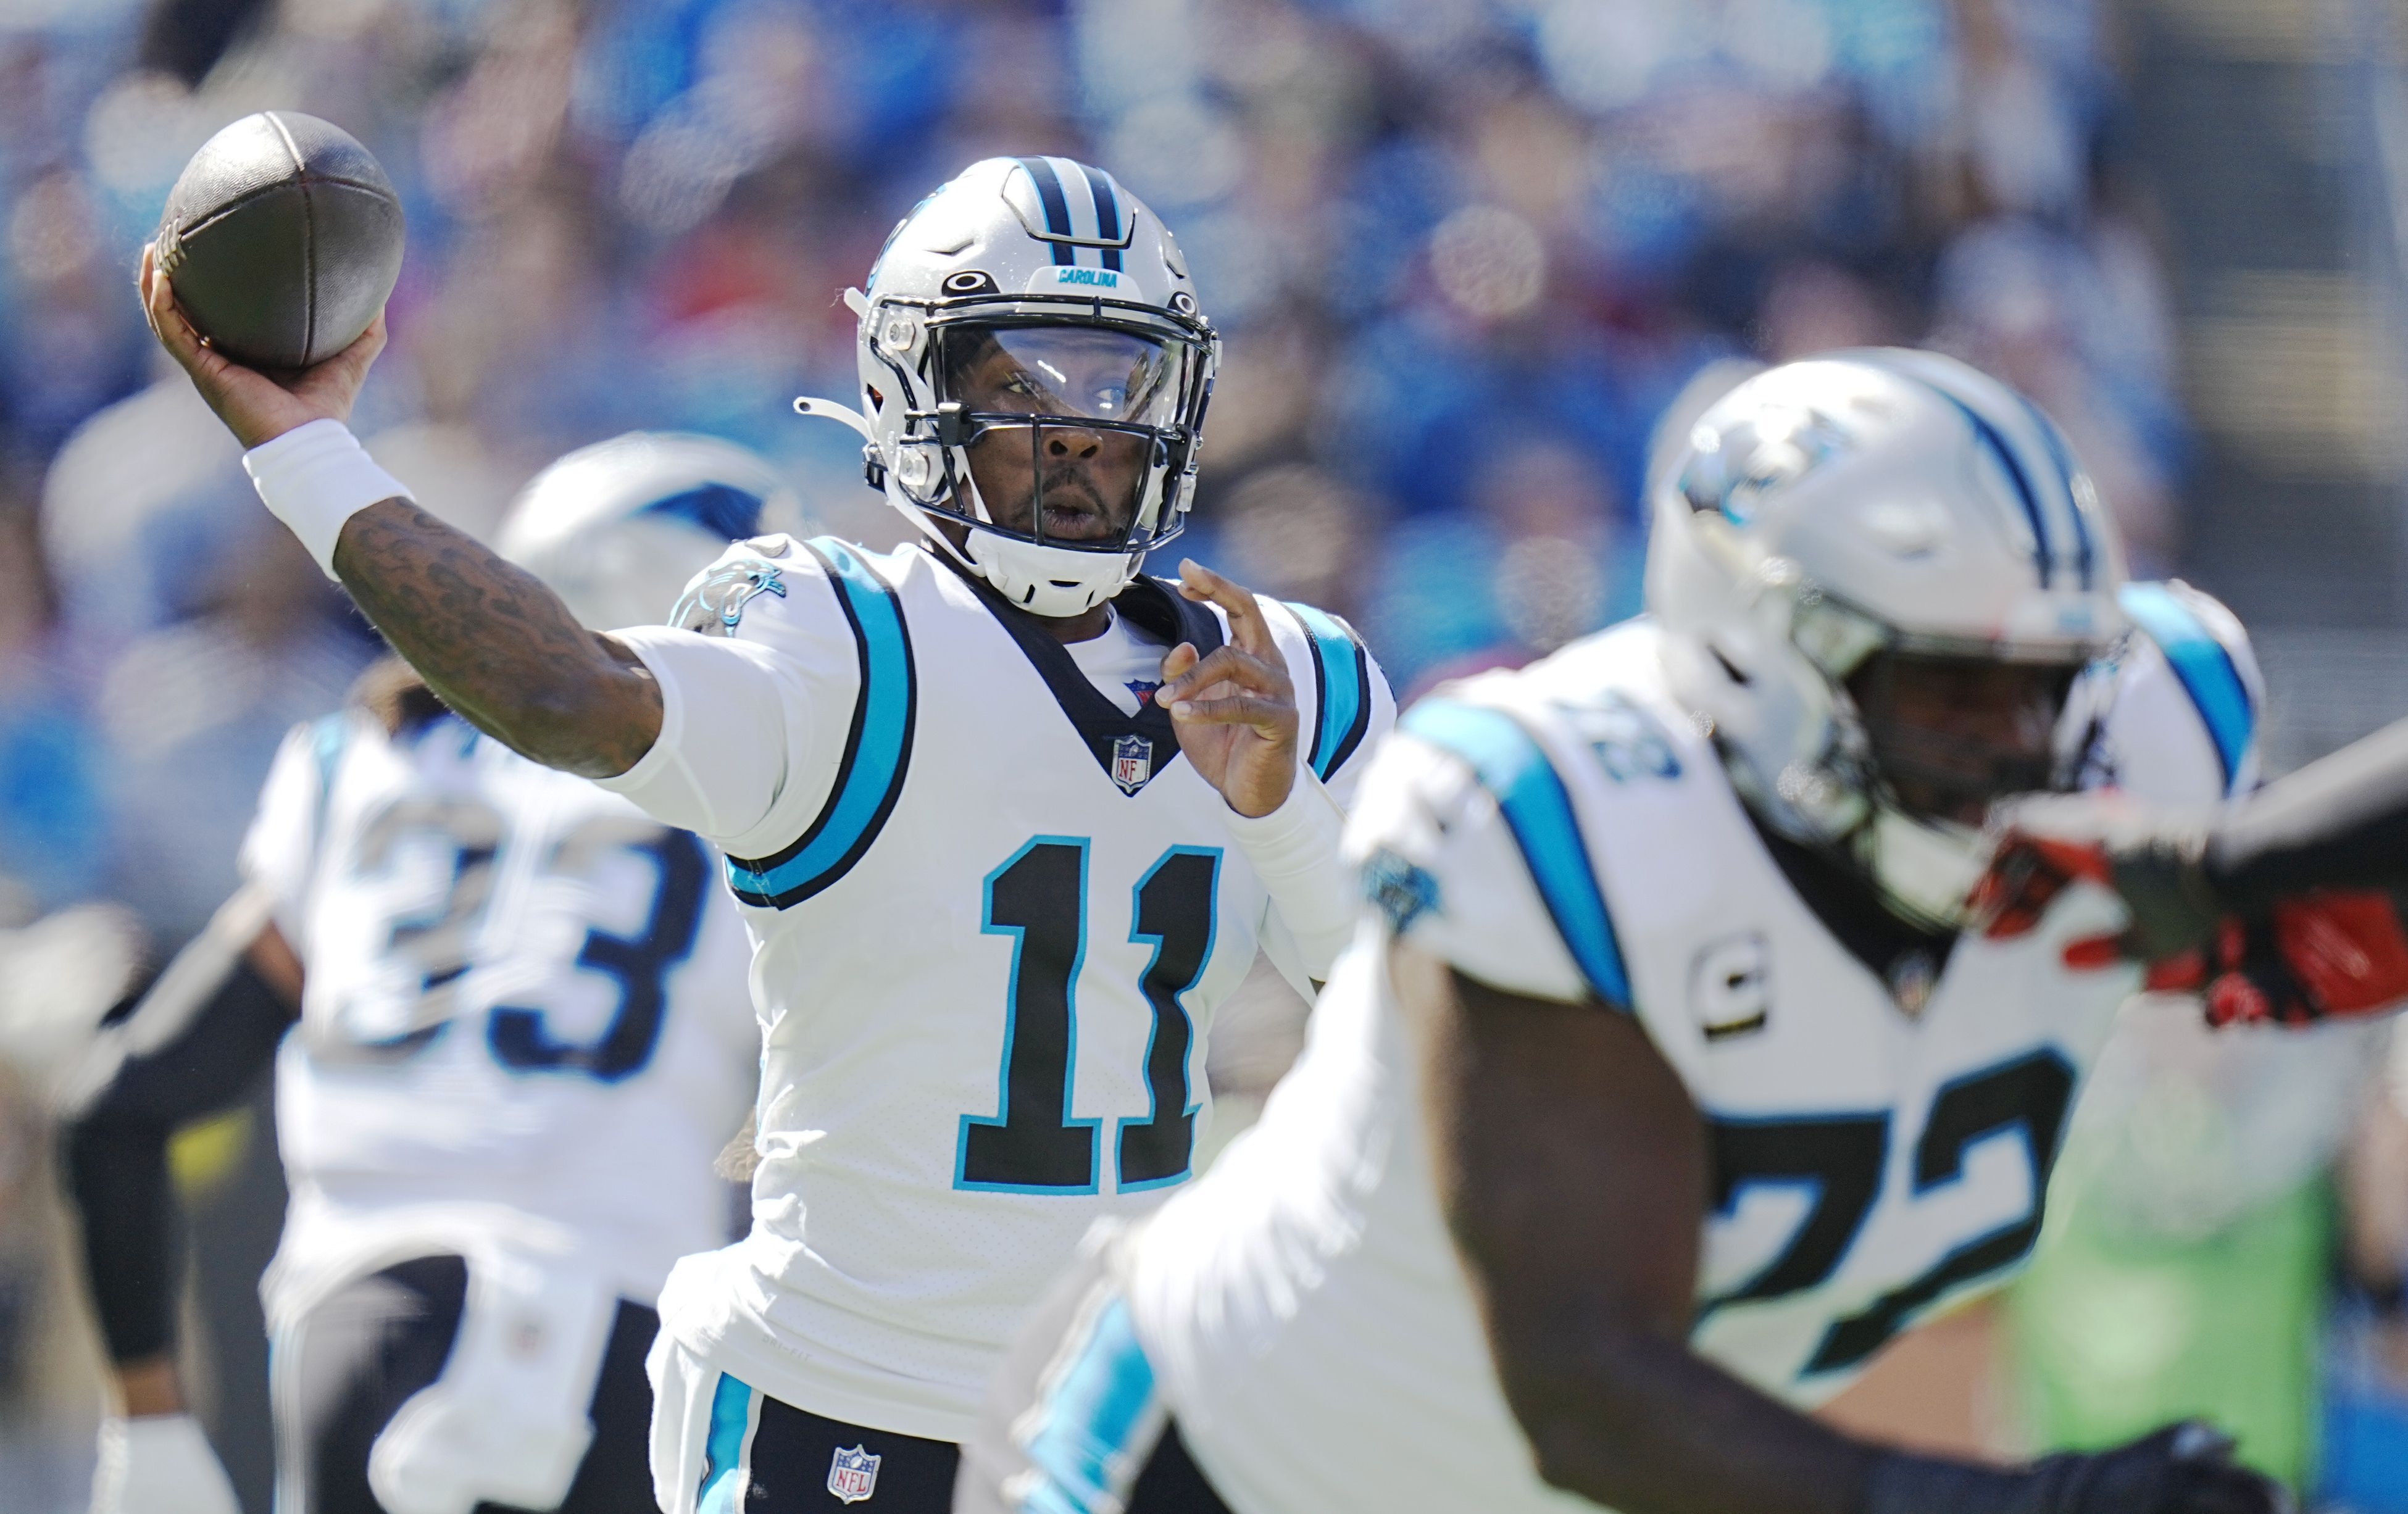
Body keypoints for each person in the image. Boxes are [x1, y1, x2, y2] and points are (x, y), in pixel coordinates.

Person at [138, 154, 1393, 1513]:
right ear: (915, 388)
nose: (1081, 431)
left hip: (1125, 1397)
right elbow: (568, 695)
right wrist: (308, 455)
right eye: (1023, 382)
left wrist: (1283, 820)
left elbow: (1398, 1018)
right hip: (849, 1391)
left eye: (1116, 380)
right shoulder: (843, 638)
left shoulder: (1295, 681)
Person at [953, 351, 2331, 1514]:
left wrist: (2271, 867)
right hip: (1242, 1473)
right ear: (1767, 655)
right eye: (1951, 692)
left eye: (2047, 687)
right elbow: (1583, 1383)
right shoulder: (1567, 817)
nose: (2019, 748)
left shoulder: (2150, 736)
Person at [62, 435, 778, 1514]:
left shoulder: (365, 758)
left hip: (364, 1313)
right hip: (622, 1323)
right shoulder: (761, 803)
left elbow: (120, 1103)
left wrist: (151, 1425)